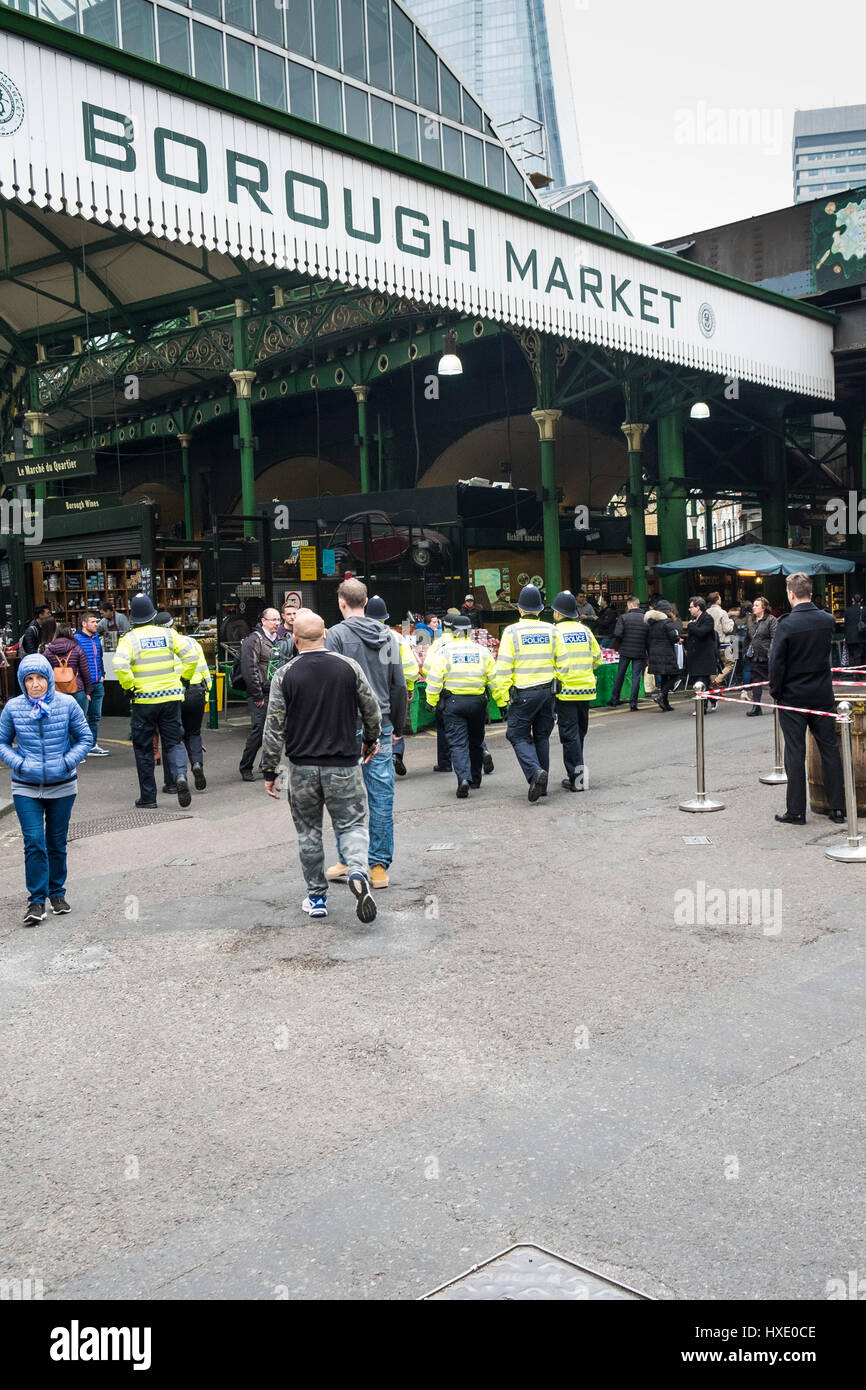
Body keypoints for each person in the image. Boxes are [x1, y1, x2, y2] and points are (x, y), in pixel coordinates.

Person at [261, 609, 379, 923]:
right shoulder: (349, 668)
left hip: (301, 768)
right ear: (325, 633)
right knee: (352, 826)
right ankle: (356, 870)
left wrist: (269, 770)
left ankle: (317, 899)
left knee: (308, 834)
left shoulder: (284, 675)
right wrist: (371, 739)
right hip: (343, 765)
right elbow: (372, 710)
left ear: (295, 639)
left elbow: (273, 728)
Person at [324, 578, 407, 889]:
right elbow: (399, 686)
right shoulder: (389, 637)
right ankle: (378, 868)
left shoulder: (336, 637)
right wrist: (397, 727)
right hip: (381, 726)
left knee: (344, 797)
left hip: (345, 727)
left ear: (343, 603)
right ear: (367, 600)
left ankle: (348, 861)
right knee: (382, 796)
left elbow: (330, 685)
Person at [0, 653, 92, 925]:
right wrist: (21, 763)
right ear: (22, 682)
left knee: (56, 842)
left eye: (40, 677)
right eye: (29, 679)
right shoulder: (13, 708)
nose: (36, 684)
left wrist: (66, 762)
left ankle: (57, 893)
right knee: (34, 842)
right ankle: (36, 901)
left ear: (49, 679)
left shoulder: (66, 705)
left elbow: (85, 737)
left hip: (62, 786)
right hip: (25, 787)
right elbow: (3, 742)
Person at [769, 573, 844, 825]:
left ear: (791, 593)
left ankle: (796, 811)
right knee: (830, 750)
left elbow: (777, 663)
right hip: (822, 694)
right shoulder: (826, 620)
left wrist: (776, 692)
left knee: (794, 751)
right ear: (810, 593)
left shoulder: (786, 625)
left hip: (793, 696)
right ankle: (838, 808)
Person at [114, 593, 201, 809]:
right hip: (171, 698)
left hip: (144, 701)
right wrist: (185, 678)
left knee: (143, 749)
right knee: (173, 742)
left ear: (132, 617)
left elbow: (120, 664)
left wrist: (129, 686)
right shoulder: (169, 635)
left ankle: (148, 797)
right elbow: (191, 655)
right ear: (153, 614)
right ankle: (179, 777)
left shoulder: (129, 639)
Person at [493, 583, 567, 802]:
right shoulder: (552, 631)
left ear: (520, 609)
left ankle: (535, 772)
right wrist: (556, 683)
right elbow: (564, 665)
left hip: (523, 693)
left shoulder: (512, 632)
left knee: (516, 734)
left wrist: (504, 695)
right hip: (547, 692)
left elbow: (503, 667)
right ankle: (541, 786)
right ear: (541, 608)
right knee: (542, 736)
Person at [424, 613, 497, 797]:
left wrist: (431, 702)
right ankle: (476, 779)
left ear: (452, 631)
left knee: (458, 744)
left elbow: (434, 679)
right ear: (469, 631)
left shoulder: (444, 651)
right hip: (478, 702)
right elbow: (494, 678)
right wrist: (502, 701)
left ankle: (463, 779)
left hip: (453, 703)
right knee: (476, 741)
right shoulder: (481, 651)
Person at [153, 611, 211, 792]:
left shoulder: (158, 647)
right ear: (173, 624)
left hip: (172, 695)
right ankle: (196, 765)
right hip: (196, 692)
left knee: (174, 738)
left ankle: (178, 777)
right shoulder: (191, 642)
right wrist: (206, 697)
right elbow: (205, 671)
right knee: (193, 733)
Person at [551, 591, 601, 792]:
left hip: (566, 691)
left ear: (558, 613)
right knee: (579, 733)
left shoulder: (555, 632)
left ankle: (578, 779)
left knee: (569, 735)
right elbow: (597, 659)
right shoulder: (586, 631)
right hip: (586, 690)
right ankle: (576, 773)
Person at [363, 595, 417, 778]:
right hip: (389, 693)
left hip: (365, 697)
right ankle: (394, 754)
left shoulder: (355, 636)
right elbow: (409, 669)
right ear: (385, 617)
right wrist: (409, 687)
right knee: (394, 727)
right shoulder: (395, 638)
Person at [238, 607, 281, 782]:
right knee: (258, 731)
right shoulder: (253, 640)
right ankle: (245, 767)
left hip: (276, 691)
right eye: (273, 620)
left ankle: (268, 766)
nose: (277, 623)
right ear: (263, 621)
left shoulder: (279, 639)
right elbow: (249, 669)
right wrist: (257, 696)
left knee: (274, 732)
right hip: (260, 693)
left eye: (278, 619)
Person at [75, 610, 110, 755]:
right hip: (83, 685)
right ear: (84, 623)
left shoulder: (96, 638)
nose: (96, 624)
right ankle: (79, 748)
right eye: (93, 622)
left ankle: (92, 745)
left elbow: (99, 658)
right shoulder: (76, 639)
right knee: (80, 717)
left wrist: (102, 674)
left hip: (97, 682)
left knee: (95, 716)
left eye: (97, 622)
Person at [44, 622, 92, 715]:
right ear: (70, 633)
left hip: (56, 691)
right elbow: (85, 671)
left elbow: (44, 672)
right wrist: (88, 691)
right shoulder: (77, 649)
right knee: (79, 721)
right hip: (77, 689)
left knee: (60, 722)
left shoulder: (48, 651)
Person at [609, 595, 647, 710]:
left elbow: (618, 633)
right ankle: (633, 703)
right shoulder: (645, 618)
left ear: (630, 605)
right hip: (640, 651)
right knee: (636, 677)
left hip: (625, 650)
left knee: (620, 675)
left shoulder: (623, 618)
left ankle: (614, 699)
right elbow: (648, 635)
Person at [644, 599, 681, 711]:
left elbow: (647, 640)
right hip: (666, 653)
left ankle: (665, 703)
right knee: (675, 675)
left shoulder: (651, 623)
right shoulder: (667, 622)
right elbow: (672, 637)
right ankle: (661, 696)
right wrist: (678, 638)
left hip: (654, 653)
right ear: (666, 611)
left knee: (665, 677)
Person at [684, 597, 717, 709]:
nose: (689, 609)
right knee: (700, 682)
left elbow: (701, 633)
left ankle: (702, 708)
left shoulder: (708, 619)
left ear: (698, 607)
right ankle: (713, 698)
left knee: (701, 682)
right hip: (694, 656)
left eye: (691, 607)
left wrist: (691, 625)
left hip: (704, 656)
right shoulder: (695, 620)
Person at [746, 596, 777, 715]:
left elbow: (775, 637)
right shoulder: (751, 620)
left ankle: (777, 703)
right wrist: (744, 652)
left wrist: (771, 654)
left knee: (772, 681)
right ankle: (756, 706)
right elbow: (748, 637)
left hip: (767, 655)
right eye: (754, 605)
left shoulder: (771, 620)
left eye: (756, 605)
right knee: (756, 681)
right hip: (754, 655)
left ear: (763, 608)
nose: (753, 607)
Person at [707, 591, 735, 689]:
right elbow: (727, 629)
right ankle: (717, 681)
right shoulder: (723, 613)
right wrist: (731, 622)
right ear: (717, 600)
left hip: (710, 644)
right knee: (730, 664)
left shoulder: (706, 612)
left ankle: (715, 690)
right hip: (723, 644)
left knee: (713, 667)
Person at [843, 593, 865, 668]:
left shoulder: (847, 610)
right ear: (861, 600)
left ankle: (854, 673)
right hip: (861, 636)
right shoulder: (864, 610)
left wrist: (845, 636)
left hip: (850, 637)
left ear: (852, 599)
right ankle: (858, 674)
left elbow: (845, 624)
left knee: (852, 655)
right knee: (859, 655)